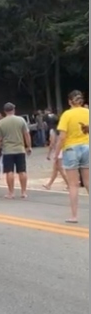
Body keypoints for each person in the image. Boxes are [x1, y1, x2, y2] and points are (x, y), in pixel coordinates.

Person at [53, 90, 89, 224]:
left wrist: (56, 154)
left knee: (73, 184)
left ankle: (74, 215)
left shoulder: (66, 114)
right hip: (86, 146)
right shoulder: (87, 112)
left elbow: (62, 137)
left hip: (71, 148)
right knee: (88, 181)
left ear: (69, 101)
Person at [0, 102, 32, 199]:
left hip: (8, 150)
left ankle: (11, 192)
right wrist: (29, 146)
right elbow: (26, 134)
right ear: (13, 109)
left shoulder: (1, 123)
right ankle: (23, 192)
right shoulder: (21, 120)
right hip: (20, 149)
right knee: (22, 171)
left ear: (4, 111)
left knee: (9, 172)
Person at [44, 113, 68, 190]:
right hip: (63, 149)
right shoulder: (62, 129)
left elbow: (52, 143)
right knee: (56, 169)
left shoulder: (52, 131)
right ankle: (49, 184)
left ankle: (69, 184)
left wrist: (48, 154)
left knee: (60, 168)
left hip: (57, 150)